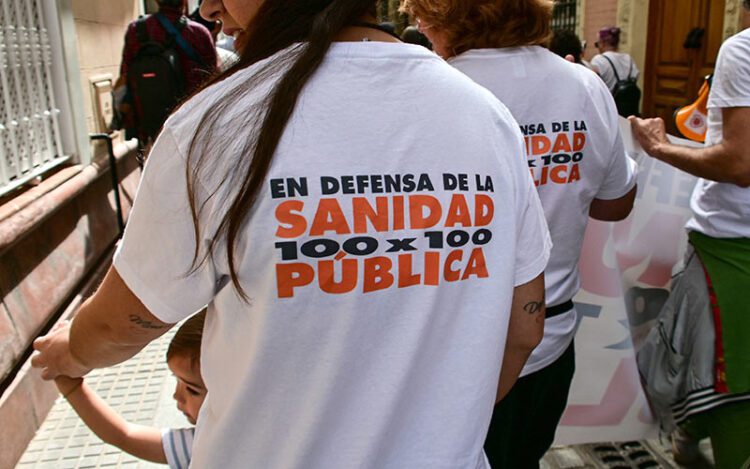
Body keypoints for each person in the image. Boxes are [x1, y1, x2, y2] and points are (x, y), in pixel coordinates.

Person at [31, 0, 553, 468]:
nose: (209, 6)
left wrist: (66, 354)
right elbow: (524, 328)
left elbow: (120, 325)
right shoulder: (485, 116)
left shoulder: (216, 123)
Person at [402, 0, 638, 467]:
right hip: (549, 337)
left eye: (423, 19)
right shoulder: (584, 86)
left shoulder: (425, 90)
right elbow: (617, 202)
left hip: (445, 347)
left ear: (444, 16)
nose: (422, 30)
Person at [630, 3, 750, 466]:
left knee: (733, 377)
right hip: (730, 244)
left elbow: (739, 163)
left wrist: (659, 147)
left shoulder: (742, 50)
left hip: (732, 243)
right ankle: (689, 436)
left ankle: (690, 435)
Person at [54, 311, 206, 468]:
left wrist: (71, 386)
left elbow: (124, 435)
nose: (176, 396)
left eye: (192, 390)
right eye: (176, 380)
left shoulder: (203, 445)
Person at [119, 0, 217, 143]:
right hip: (191, 120)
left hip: (151, 118)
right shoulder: (199, 32)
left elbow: (125, 75)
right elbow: (214, 79)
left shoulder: (136, 30)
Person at [590, 26, 639, 93]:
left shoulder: (599, 60)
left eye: (597, 44)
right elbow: (635, 77)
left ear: (602, 43)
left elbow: (592, 86)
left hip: (607, 102)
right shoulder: (629, 59)